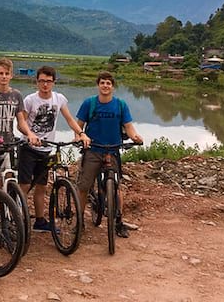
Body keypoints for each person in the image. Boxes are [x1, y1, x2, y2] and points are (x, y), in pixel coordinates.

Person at [19, 66, 90, 232]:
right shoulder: (30, 100)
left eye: (48, 81)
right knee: (24, 185)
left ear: (54, 82)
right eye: (42, 81)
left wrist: (80, 133)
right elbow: (21, 123)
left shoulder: (59, 99)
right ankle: (18, 218)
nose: (45, 85)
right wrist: (30, 135)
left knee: (42, 187)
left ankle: (39, 221)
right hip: (29, 148)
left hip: (46, 149)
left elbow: (70, 119)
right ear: (37, 82)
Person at [75, 71, 143, 238]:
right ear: (98, 85)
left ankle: (118, 221)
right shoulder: (89, 103)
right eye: (102, 83)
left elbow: (128, 126)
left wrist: (135, 137)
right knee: (84, 186)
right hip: (93, 150)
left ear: (113, 86)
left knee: (116, 187)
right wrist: (79, 137)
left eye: (108, 83)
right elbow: (78, 127)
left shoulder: (120, 105)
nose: (105, 86)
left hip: (112, 150)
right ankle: (79, 221)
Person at [0, 58, 37, 191]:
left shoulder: (16, 95)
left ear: (11, 75)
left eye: (6, 73)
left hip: (8, 144)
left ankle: (5, 209)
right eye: (1, 73)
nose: (4, 76)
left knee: (8, 179)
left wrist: (29, 133)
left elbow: (21, 121)